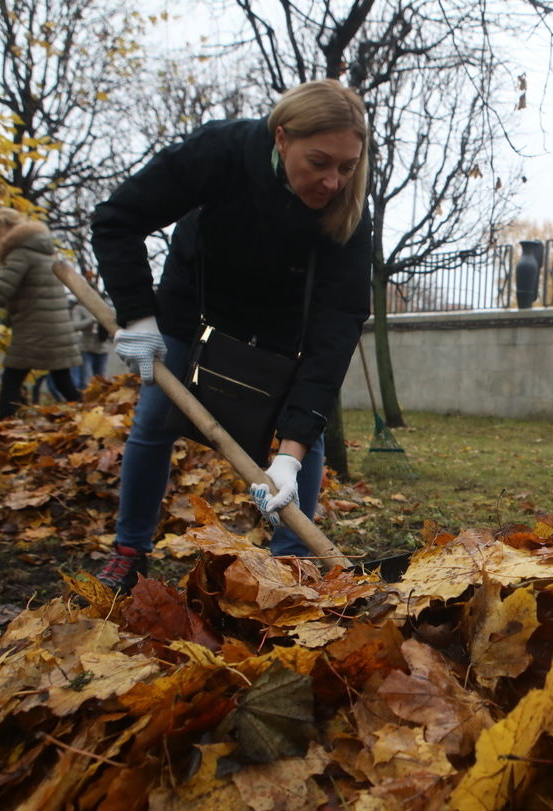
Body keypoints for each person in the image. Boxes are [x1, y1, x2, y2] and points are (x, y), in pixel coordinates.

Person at [90, 78, 373, 593]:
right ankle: (130, 551)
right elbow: (117, 220)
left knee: (304, 445)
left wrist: (288, 454)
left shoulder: (349, 207)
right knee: (155, 419)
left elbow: (340, 323)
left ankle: (291, 564)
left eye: (347, 166)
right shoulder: (220, 151)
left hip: (286, 329)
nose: (333, 181)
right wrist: (136, 316)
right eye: (319, 162)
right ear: (282, 138)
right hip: (192, 308)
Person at [0, 208, 82, 420]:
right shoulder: (43, 252)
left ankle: (2, 425)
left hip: (36, 328)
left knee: (12, 376)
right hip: (50, 327)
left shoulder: (21, 254)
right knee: (62, 381)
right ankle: (91, 418)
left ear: (11, 230)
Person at [70, 287, 113, 389]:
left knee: (101, 380)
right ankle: (85, 402)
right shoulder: (79, 309)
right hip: (86, 349)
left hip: (103, 348)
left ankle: (101, 403)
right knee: (86, 381)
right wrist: (92, 319)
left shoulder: (105, 307)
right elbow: (75, 326)